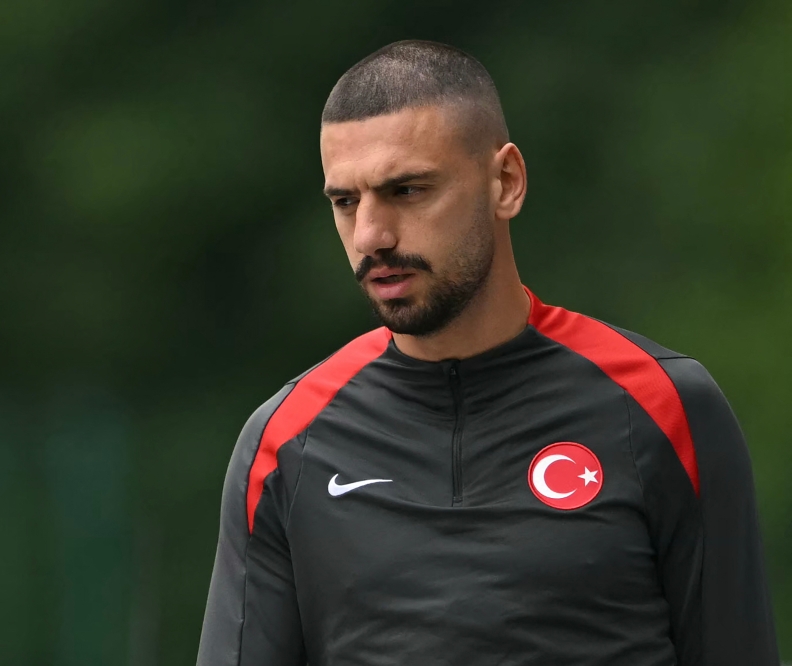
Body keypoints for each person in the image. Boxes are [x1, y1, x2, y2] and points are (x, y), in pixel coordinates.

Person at [195, 40, 779, 665]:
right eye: (345, 202)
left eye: (408, 190)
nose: (371, 235)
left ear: (505, 182)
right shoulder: (285, 443)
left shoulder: (664, 405)